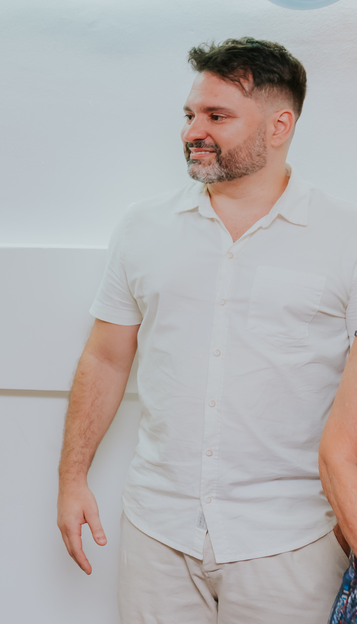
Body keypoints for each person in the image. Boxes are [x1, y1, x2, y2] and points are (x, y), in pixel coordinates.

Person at [56, 38, 357, 623]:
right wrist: (72, 478)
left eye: (217, 116)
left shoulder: (345, 237)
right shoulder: (144, 227)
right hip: (158, 533)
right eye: (191, 114)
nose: (194, 130)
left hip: (290, 541)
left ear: (279, 125)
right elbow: (106, 359)